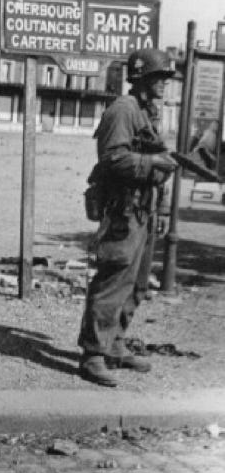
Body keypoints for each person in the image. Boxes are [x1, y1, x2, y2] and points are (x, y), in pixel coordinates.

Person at [78, 48, 178, 387]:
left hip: (145, 208)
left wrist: (162, 208)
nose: (164, 83)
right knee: (114, 278)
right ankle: (93, 354)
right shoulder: (123, 110)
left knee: (137, 284)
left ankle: (115, 344)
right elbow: (112, 159)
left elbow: (159, 159)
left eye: (165, 77)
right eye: (158, 77)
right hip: (123, 208)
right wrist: (153, 164)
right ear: (141, 78)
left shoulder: (147, 112)